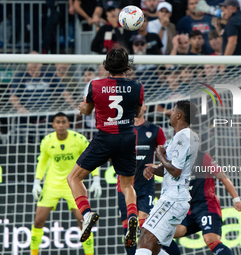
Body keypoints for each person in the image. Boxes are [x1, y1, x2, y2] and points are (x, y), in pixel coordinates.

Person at [67, 48, 144, 247]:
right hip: (127, 136)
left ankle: (86, 213)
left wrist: (82, 109)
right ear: (127, 66)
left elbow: (87, 110)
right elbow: (137, 113)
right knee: (127, 185)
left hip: (104, 138)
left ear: (106, 65)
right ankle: (132, 215)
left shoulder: (95, 85)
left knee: (73, 177)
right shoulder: (137, 86)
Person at [30, 112, 102, 255]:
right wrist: (37, 181)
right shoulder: (47, 141)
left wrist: (96, 178)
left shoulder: (79, 139)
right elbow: (42, 162)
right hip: (52, 185)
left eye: (64, 122)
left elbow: (93, 157)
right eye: (58, 122)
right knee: (38, 220)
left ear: (68, 124)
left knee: (84, 222)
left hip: (73, 185)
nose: (61, 125)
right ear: (53, 124)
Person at [136, 100, 200, 255]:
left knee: (145, 240)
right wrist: (154, 169)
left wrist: (160, 155)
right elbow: (171, 169)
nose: (170, 114)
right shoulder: (186, 136)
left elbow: (176, 171)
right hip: (175, 198)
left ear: (178, 115)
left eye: (172, 111)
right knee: (155, 247)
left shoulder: (183, 137)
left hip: (173, 199)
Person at [173, 150, 241, 255]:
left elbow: (223, 178)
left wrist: (236, 200)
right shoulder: (177, 159)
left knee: (211, 240)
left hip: (206, 208)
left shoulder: (203, 157)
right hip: (188, 211)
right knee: (164, 234)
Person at [117, 102, 167, 255]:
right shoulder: (122, 130)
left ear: (145, 107)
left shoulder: (155, 130)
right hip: (124, 185)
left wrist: (155, 167)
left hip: (146, 185)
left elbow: (166, 156)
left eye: (140, 105)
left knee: (145, 227)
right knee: (129, 230)